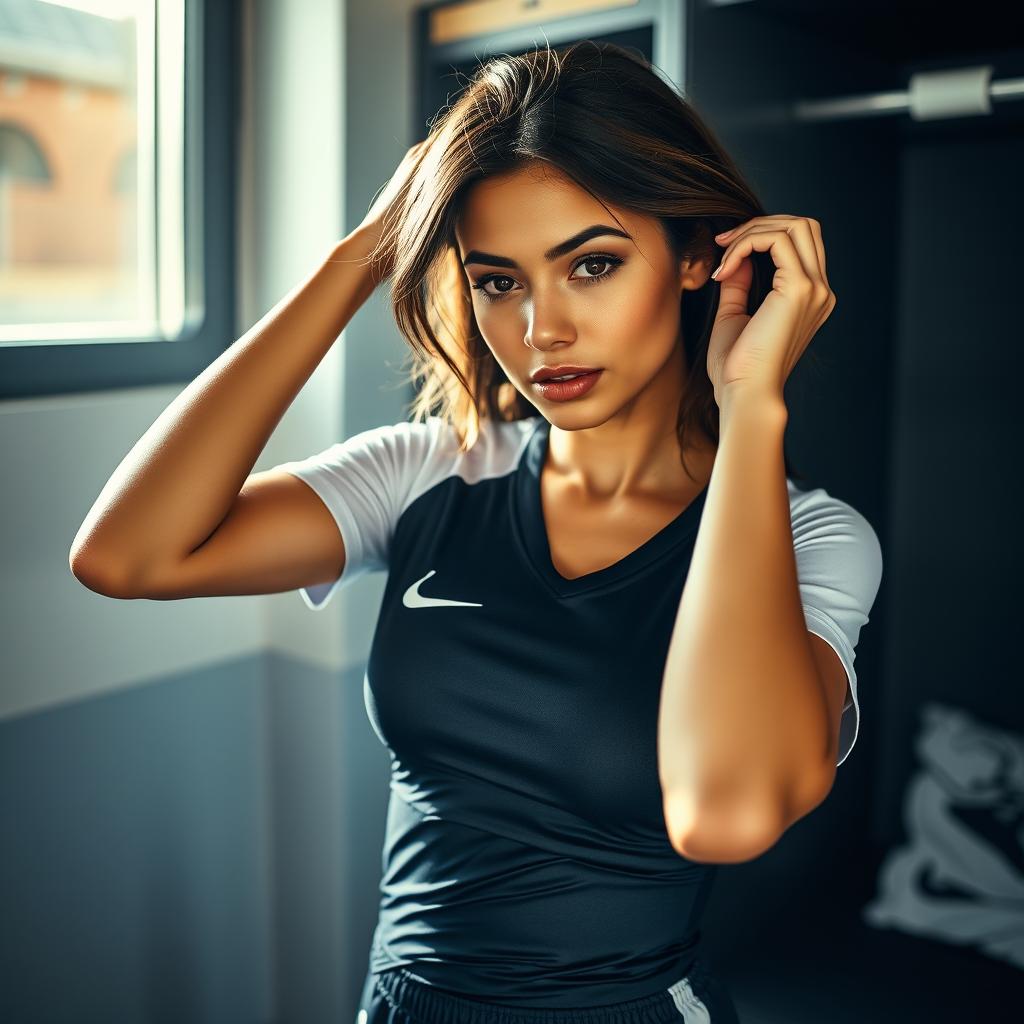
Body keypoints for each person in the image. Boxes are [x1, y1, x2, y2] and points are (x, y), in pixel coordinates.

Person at [70, 40, 883, 1024]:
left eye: (590, 264)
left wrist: (751, 408)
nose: (541, 329)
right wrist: (368, 249)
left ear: (694, 258)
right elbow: (127, 553)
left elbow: (723, 813)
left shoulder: (810, 539)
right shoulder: (434, 469)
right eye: (498, 279)